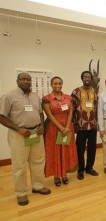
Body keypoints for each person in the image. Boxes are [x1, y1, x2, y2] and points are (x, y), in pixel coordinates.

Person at [0, 72, 51, 206]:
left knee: (39, 161)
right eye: (23, 79)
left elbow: (40, 112)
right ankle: (21, 193)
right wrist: (19, 129)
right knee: (19, 166)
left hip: (36, 134)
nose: (26, 81)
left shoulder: (35, 96)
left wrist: (41, 125)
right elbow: (1, 117)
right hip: (19, 135)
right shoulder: (9, 96)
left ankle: (38, 186)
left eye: (28, 79)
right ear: (17, 81)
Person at [42, 76, 78, 186]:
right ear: (51, 85)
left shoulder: (68, 97)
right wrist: (61, 128)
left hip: (67, 128)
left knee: (66, 150)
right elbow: (49, 115)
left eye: (59, 83)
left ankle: (64, 174)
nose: (57, 85)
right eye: (55, 84)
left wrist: (67, 127)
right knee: (55, 151)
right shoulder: (46, 99)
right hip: (53, 128)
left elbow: (70, 112)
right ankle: (56, 176)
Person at [71, 71, 99, 180]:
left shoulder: (95, 91)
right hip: (81, 126)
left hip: (92, 126)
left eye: (88, 76)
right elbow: (72, 109)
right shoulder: (76, 91)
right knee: (80, 149)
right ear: (82, 78)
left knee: (92, 149)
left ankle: (89, 168)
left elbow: (97, 108)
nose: (87, 78)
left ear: (91, 79)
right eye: (85, 76)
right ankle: (81, 170)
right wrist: (74, 124)